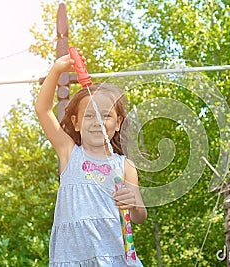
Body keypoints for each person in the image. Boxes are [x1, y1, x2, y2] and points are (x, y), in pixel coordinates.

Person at [35, 50, 147, 266]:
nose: (97, 121)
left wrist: (132, 204)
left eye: (106, 115)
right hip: (71, 258)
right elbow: (43, 109)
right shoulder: (69, 153)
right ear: (76, 123)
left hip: (113, 259)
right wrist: (57, 69)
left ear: (118, 123)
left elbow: (140, 216)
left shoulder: (124, 165)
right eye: (89, 115)